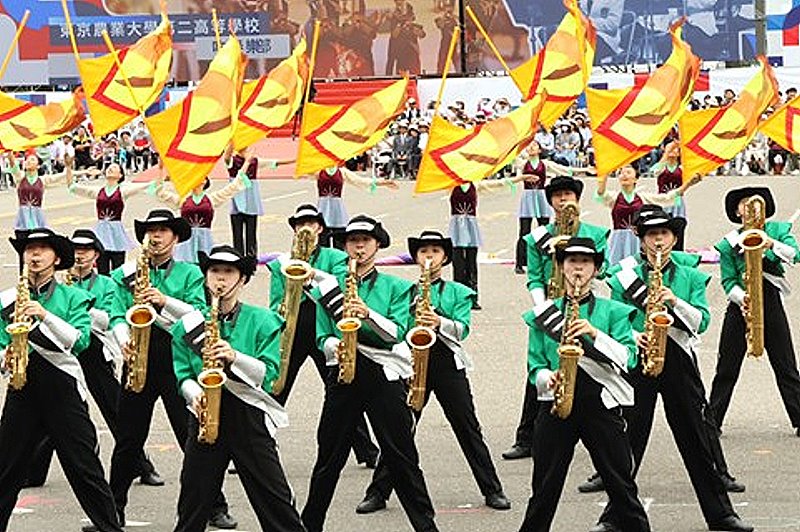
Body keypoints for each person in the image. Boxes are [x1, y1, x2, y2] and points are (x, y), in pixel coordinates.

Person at [589, 207, 753, 532]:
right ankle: (614, 517)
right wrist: (636, 335)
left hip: (679, 361)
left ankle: (721, 514)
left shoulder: (690, 275)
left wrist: (674, 301)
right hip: (641, 358)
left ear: (674, 239)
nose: (658, 241)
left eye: (664, 234)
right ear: (641, 240)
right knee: (628, 441)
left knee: (696, 439)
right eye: (651, 235)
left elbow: (701, 322)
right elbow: (616, 321)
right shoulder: (624, 276)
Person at [355, 230, 510, 515]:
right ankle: (377, 492)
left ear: (445, 257)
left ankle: (492, 489)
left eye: (435, 251)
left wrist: (438, 321)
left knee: (467, 427)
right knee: (401, 431)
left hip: (448, 365)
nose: (429, 257)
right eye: (423, 252)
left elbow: (462, 330)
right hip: (414, 363)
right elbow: (397, 328)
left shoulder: (458, 292)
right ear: (416, 257)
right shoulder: (405, 291)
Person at [301, 215, 439, 532]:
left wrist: (367, 315)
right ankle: (310, 525)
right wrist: (334, 345)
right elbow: (322, 336)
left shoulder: (396, 287)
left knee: (402, 457)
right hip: (343, 376)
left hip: (382, 377)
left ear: (377, 245)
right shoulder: (330, 287)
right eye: (353, 241)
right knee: (328, 459)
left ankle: (426, 526)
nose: (359, 247)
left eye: (365, 241)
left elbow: (397, 333)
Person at [104, 209, 236, 530]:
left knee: (191, 436)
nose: (156, 236)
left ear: (175, 238)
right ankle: (112, 510)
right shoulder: (126, 274)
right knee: (128, 439)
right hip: (138, 357)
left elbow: (200, 315)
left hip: (178, 361)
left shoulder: (190, 274)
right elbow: (116, 313)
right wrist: (123, 340)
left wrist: (163, 302)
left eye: (163, 230)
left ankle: (214, 506)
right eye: (151, 231)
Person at [518, 237, 650, 532]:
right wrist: (548, 378)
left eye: (585, 262)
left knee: (621, 485)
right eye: (572, 261)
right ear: (562, 267)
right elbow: (535, 366)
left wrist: (594, 334)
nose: (578, 268)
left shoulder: (614, 311)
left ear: (595, 269)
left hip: (600, 405)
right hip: (556, 405)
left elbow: (628, 358)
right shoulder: (544, 315)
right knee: (544, 488)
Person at [171, 245, 305, 531]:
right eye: (214, 271)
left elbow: (269, 376)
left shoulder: (263, 320)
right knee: (192, 503)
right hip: (205, 416)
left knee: (276, 503)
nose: (220, 278)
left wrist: (234, 357)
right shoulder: (187, 325)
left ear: (242, 279)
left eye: (229, 272)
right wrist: (195, 395)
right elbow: (183, 376)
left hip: (248, 417)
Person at [0, 229, 123, 532]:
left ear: (56, 259)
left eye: (42, 249)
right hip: (22, 389)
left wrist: (43, 315)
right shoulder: (9, 299)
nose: (35, 255)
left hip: (62, 389)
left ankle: (109, 527)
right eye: (30, 249)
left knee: (85, 468)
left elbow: (79, 341)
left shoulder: (74, 297)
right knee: (6, 469)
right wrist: (5, 356)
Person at [22, 229, 162, 491]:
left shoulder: (106, 284)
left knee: (115, 408)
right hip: (62, 351)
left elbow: (108, 319)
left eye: (86, 250)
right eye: (76, 250)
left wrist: (82, 307)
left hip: (95, 351)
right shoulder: (60, 285)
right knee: (55, 408)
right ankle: (35, 470)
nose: (80, 255)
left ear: (96, 255)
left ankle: (141, 465)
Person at [503, 176, 609, 460]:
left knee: (594, 367)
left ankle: (601, 438)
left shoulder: (596, 234)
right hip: (551, 309)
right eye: (558, 196)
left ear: (577, 200)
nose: (563, 200)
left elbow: (605, 269)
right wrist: (544, 310)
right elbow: (534, 277)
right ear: (550, 202)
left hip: (586, 307)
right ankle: (527, 437)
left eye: (568, 195)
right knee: (540, 370)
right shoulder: (536, 238)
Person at [268, 204, 379, 467]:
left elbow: (339, 287)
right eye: (300, 223)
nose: (305, 228)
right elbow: (274, 302)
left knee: (340, 391)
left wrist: (309, 277)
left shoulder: (335, 258)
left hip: (324, 328)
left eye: (310, 222)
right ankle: (256, 446)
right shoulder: (280, 264)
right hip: (293, 329)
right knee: (275, 389)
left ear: (319, 228)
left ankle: (367, 450)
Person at [709, 187, 800, 436]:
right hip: (742, 301)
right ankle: (712, 421)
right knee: (726, 367)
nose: (748, 206)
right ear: (737, 211)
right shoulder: (729, 243)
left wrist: (770, 243)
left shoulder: (778, 230)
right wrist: (743, 298)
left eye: (752, 202)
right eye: (742, 203)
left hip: (770, 299)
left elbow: (795, 255)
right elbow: (728, 281)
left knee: (785, 364)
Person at [594, 164, 700, 265]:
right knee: (617, 268)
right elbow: (601, 193)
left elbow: (668, 197)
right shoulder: (614, 198)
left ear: (636, 179)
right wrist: (604, 175)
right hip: (619, 239)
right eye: (621, 173)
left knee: (639, 267)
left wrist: (688, 184)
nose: (624, 175)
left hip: (638, 239)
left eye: (628, 172)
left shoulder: (643, 198)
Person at [514, 141, 592, 274]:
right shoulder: (523, 163)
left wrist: (584, 170)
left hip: (541, 197)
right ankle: (520, 263)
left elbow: (563, 169)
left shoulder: (545, 164)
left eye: (534, 145)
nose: (531, 147)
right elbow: (511, 156)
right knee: (524, 231)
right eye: (529, 145)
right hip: (528, 197)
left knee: (544, 229)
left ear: (540, 150)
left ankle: (545, 258)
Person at [154, 166, 250, 264]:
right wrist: (160, 169)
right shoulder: (183, 200)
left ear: (205, 181)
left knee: (205, 264)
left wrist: (246, 164)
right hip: (186, 240)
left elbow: (232, 187)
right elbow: (160, 193)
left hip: (205, 239)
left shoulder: (212, 199)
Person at [67, 162, 150, 274]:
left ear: (120, 175)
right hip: (101, 232)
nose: (110, 168)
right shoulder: (98, 191)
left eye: (114, 167)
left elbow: (147, 186)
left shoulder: (122, 191)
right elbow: (72, 187)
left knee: (118, 269)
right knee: (102, 269)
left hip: (116, 233)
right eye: (109, 167)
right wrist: (68, 167)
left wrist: (160, 173)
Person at [10, 151, 92, 230]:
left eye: (32, 160)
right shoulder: (20, 178)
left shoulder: (43, 180)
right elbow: (13, 166)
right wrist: (9, 153)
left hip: (37, 216)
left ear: (38, 165)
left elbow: (63, 175)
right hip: (23, 217)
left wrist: (85, 171)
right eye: (26, 160)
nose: (28, 161)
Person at [225, 147, 263, 258]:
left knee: (251, 235)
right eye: (245, 150)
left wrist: (295, 161)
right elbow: (226, 156)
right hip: (236, 207)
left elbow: (274, 163)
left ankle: (251, 259)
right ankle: (238, 259)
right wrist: (231, 142)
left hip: (251, 205)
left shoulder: (254, 162)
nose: (248, 152)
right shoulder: (233, 162)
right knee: (237, 236)